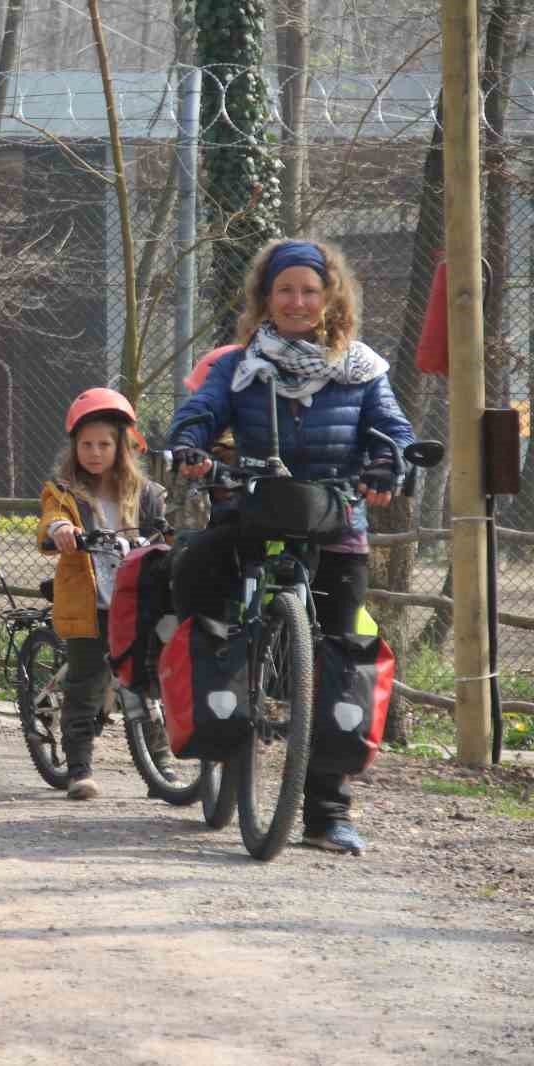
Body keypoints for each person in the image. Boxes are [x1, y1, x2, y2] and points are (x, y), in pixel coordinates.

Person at [167, 238, 415, 855]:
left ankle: (328, 812)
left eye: (309, 290)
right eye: (285, 291)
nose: (298, 301)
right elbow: (198, 412)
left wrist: (388, 465)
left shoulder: (363, 368)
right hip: (254, 511)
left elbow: (395, 432)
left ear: (330, 296)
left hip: (337, 524)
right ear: (265, 299)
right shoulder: (239, 365)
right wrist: (192, 447)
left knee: (342, 657)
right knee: (194, 569)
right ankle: (216, 706)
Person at [38, 388, 172, 800]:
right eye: (86, 444)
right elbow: (51, 520)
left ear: (122, 447)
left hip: (134, 603)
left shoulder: (146, 493)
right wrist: (60, 530)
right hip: (89, 604)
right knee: (85, 683)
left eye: (104, 444)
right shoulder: (64, 491)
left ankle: (161, 762)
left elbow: (162, 532)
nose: (95, 452)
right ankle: (79, 767)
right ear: (74, 448)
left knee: (148, 678)